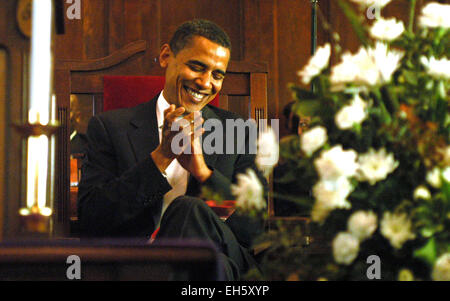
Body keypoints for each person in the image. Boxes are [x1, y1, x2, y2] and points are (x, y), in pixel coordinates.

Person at [77, 19, 267, 280]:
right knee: (214, 265)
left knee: (189, 210)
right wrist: (161, 158)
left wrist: (203, 173)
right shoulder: (110, 128)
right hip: (146, 267)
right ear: (166, 56)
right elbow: (92, 220)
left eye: (217, 75)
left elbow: (253, 228)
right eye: (196, 67)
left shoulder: (238, 131)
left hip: (227, 261)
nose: (205, 82)